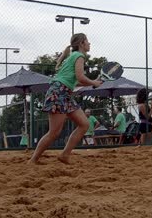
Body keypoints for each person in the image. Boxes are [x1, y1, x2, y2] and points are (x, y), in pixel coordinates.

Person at [29, 33, 102, 164]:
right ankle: (33, 159)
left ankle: (65, 155)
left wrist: (93, 82)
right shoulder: (79, 56)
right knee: (54, 132)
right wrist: (94, 82)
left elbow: (75, 81)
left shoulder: (73, 57)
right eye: (87, 41)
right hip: (59, 92)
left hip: (64, 93)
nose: (89, 43)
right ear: (81, 43)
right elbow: (80, 78)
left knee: (84, 124)